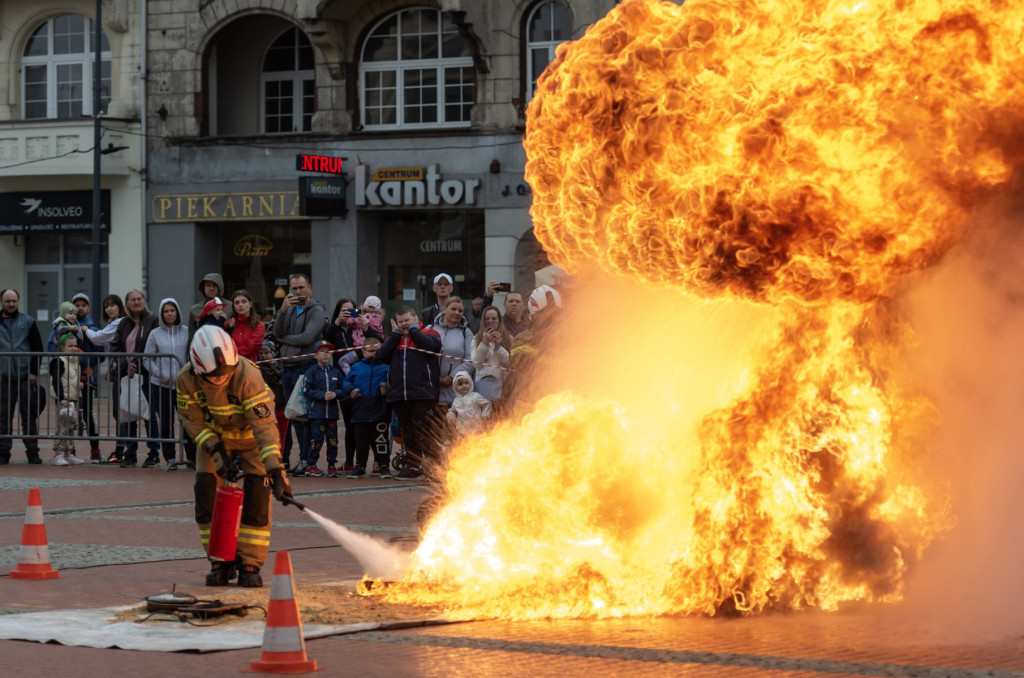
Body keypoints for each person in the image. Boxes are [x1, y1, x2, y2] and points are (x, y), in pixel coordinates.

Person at [176, 325, 293, 588]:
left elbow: (264, 427)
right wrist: (218, 454)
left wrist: (276, 472)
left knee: (258, 498)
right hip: (216, 440)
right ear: (197, 367)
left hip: (253, 440)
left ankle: (249, 563)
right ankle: (220, 560)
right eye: (213, 376)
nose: (220, 378)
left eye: (225, 373)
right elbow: (192, 422)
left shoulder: (247, 374)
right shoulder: (186, 379)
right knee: (206, 494)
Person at [376, 305, 442, 481]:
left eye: (407, 320)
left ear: (415, 319)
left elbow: (433, 347)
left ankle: (434, 468)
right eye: (401, 321)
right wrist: (395, 335)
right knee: (408, 433)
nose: (404, 324)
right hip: (399, 394)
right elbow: (381, 356)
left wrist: (414, 331)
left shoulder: (429, 333)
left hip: (423, 393)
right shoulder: (395, 338)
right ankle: (413, 466)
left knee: (425, 432)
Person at [273, 273, 325, 477]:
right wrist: (283, 311)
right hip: (287, 369)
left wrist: (283, 339)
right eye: (294, 289)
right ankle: (303, 460)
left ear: (309, 288)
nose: (297, 292)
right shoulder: (290, 309)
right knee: (295, 417)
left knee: (305, 417)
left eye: (301, 288)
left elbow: (308, 337)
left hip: (304, 368)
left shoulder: (317, 310)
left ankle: (307, 460)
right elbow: (276, 331)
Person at [110, 289, 160, 467]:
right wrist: (126, 363)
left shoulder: (152, 319)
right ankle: (130, 453)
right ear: (127, 303)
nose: (136, 302)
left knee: (149, 413)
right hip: (127, 375)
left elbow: (154, 345)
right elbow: (115, 347)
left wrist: (137, 364)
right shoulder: (123, 323)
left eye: (139, 299)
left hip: (146, 374)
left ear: (144, 300)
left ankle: (153, 452)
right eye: (133, 300)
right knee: (128, 412)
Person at [142, 298, 192, 469]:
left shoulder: (186, 331)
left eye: (172, 310)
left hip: (184, 385)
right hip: (161, 384)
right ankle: (170, 457)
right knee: (165, 421)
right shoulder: (155, 334)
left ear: (177, 312)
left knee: (188, 420)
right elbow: (147, 359)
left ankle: (191, 456)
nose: (169, 314)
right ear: (162, 314)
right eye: (166, 311)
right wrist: (161, 374)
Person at [0, 289, 44, 465]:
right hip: (3, 379)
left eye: (14, 301)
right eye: (7, 301)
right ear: (1, 302)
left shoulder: (28, 321)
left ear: (18, 301)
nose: (11, 304)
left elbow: (37, 348)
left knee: (28, 417)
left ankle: (32, 452)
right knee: (3, 417)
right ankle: (3, 453)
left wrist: (34, 372)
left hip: (26, 377)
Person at [505, 285, 564, 412]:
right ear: (534, 315)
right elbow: (523, 363)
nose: (551, 318)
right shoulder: (522, 339)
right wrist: (542, 343)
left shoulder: (565, 338)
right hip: (528, 406)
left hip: (557, 403)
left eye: (554, 313)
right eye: (546, 313)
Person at [340, 335, 391, 479]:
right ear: (363, 351)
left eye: (376, 351)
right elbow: (345, 382)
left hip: (380, 409)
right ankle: (360, 467)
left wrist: (386, 385)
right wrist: (351, 390)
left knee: (381, 440)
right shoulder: (356, 367)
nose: (373, 353)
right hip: (360, 410)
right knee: (361, 441)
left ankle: (384, 467)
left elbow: (392, 379)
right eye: (370, 351)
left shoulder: (386, 367)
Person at [85, 294, 127, 463]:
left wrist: (85, 330)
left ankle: (122, 450)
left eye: (113, 305)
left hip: (123, 372)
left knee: (121, 412)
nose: (109, 309)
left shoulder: (118, 323)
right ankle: (121, 449)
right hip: (117, 372)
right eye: (106, 306)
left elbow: (97, 338)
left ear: (119, 307)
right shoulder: (112, 323)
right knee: (120, 412)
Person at [323, 297, 360, 471]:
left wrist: (364, 323)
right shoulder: (335, 328)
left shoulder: (359, 328)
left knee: (363, 423)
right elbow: (326, 340)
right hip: (343, 380)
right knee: (349, 423)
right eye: (343, 310)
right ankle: (349, 462)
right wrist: (338, 322)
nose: (347, 314)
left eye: (351, 310)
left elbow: (374, 340)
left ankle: (365, 461)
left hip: (361, 377)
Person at [302, 341, 343, 477]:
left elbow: (343, 388)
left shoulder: (335, 371)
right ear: (315, 355)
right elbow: (307, 391)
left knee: (333, 441)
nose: (326, 354)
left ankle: (332, 465)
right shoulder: (311, 371)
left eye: (328, 351)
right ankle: (311, 464)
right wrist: (322, 395)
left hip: (331, 414)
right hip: (317, 414)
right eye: (322, 351)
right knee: (317, 441)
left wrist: (336, 393)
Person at [70, 293, 103, 462]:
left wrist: (83, 358)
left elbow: (101, 354)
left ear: (88, 308)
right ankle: (69, 449)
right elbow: (52, 346)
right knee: (68, 412)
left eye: (83, 305)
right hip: (67, 376)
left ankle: (95, 449)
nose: (80, 308)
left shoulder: (94, 329)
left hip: (88, 377)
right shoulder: (64, 327)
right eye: (77, 305)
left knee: (89, 413)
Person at [426, 296, 475, 411]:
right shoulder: (430, 329)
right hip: (430, 391)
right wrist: (432, 377)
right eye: (453, 309)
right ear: (444, 309)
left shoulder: (466, 332)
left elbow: (471, 361)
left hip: (455, 394)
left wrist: (452, 377)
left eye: (460, 311)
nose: (457, 313)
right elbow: (421, 359)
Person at [48, 331, 86, 465]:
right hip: (64, 399)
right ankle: (58, 454)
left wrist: (80, 384)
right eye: (70, 346)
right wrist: (61, 397)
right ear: (62, 347)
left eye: (75, 345)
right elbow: (56, 380)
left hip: (73, 397)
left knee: (70, 426)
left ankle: (68, 453)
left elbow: (74, 378)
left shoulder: (75, 361)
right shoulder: (58, 360)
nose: (73, 348)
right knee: (62, 426)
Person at [471, 305, 513, 406]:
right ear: (483, 322)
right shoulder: (476, 338)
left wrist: (498, 347)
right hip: (483, 384)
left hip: (503, 385)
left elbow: (510, 364)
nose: (491, 321)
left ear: (499, 320)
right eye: (487, 319)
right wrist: (484, 343)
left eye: (494, 318)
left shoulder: (508, 338)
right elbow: (476, 364)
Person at [258, 342, 291, 469]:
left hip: (281, 406)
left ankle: (279, 459)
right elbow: (269, 378)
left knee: (281, 435)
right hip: (266, 408)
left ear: (273, 353)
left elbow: (279, 378)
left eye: (266, 353)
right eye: (261, 353)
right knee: (267, 435)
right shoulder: (258, 369)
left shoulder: (282, 366)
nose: (263, 356)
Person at [227, 290, 265, 363]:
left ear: (250, 304)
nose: (240, 305)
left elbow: (248, 349)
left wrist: (229, 352)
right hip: (230, 368)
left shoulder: (259, 326)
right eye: (237, 303)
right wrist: (228, 328)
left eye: (244, 302)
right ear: (234, 306)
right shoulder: (229, 324)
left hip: (249, 369)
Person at [188, 273, 224, 343]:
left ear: (220, 287)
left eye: (215, 286)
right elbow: (191, 337)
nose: (211, 288)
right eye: (208, 285)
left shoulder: (231, 307)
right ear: (203, 288)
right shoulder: (195, 309)